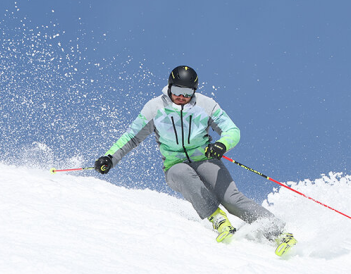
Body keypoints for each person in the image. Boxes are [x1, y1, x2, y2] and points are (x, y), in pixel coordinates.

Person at [94, 65, 297, 257]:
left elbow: (232, 130)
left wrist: (221, 145)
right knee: (182, 173)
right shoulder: (155, 108)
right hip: (175, 165)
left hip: (205, 159)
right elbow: (132, 137)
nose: (181, 96)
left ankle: (279, 232)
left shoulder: (206, 105)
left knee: (231, 198)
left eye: (187, 92)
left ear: (194, 91)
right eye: (177, 90)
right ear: (169, 88)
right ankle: (217, 218)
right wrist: (110, 158)